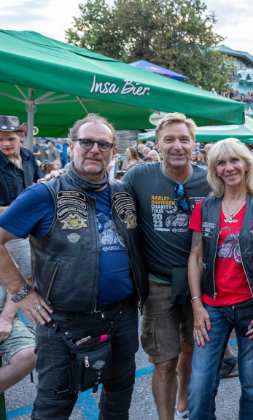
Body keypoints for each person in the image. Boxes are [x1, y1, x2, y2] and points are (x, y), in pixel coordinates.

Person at [0, 113, 147, 418]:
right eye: (87, 142)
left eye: (103, 144)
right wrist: (21, 292)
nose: (94, 149)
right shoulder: (44, 193)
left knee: (119, 397)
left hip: (123, 315)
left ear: (113, 152)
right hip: (63, 321)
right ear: (71, 146)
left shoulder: (124, 191)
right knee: (54, 405)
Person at [123, 113, 210, 419]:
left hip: (199, 281)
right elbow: (107, 199)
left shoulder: (209, 180)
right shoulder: (138, 177)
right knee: (163, 361)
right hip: (158, 282)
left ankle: (183, 402)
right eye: (169, 139)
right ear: (157, 144)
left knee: (191, 348)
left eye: (184, 139)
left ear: (194, 144)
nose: (177, 146)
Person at [187, 139, 253, 420]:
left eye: (234, 160)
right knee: (199, 388)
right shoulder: (205, 208)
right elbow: (194, 258)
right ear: (215, 170)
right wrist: (196, 305)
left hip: (252, 306)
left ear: (246, 165)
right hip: (211, 308)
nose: (228, 167)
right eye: (221, 163)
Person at [0, 115, 39, 394]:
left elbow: (38, 190)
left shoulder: (28, 157)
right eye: (0, 139)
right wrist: (24, 211)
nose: (5, 143)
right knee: (23, 279)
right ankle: (12, 314)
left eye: (10, 138)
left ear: (21, 136)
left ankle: (13, 315)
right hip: (7, 230)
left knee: (33, 274)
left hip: (29, 229)